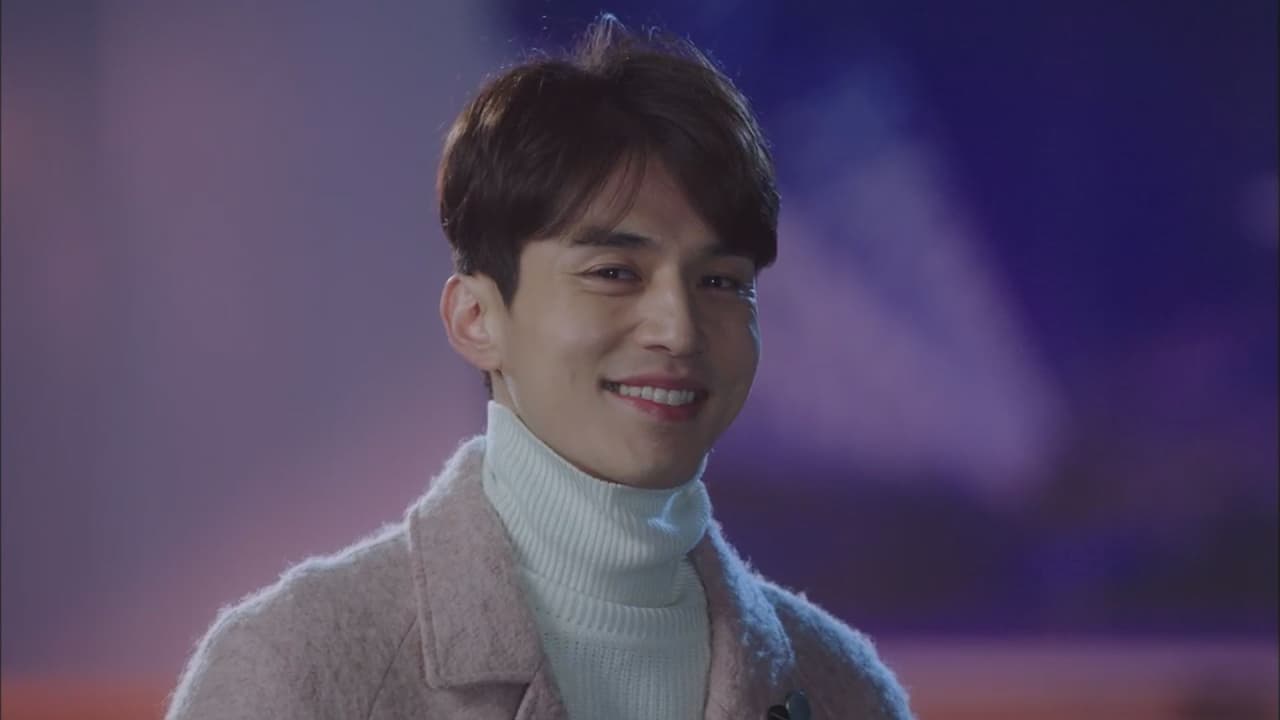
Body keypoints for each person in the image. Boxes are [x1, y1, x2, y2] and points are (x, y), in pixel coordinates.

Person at [166, 15, 912, 720]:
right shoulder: (297, 671)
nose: (679, 330)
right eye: (614, 272)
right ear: (476, 318)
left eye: (721, 281)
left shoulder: (841, 689)